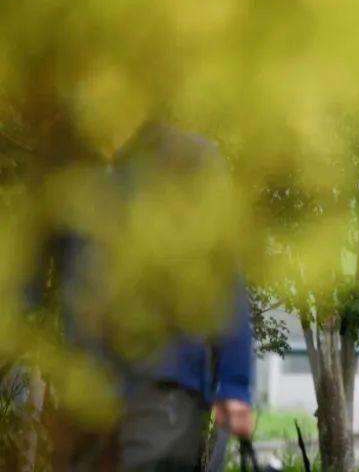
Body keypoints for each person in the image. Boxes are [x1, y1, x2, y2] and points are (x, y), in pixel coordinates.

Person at [47, 122, 255, 471]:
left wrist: (234, 382)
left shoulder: (193, 160)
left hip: (164, 387)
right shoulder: (73, 161)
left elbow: (223, 274)